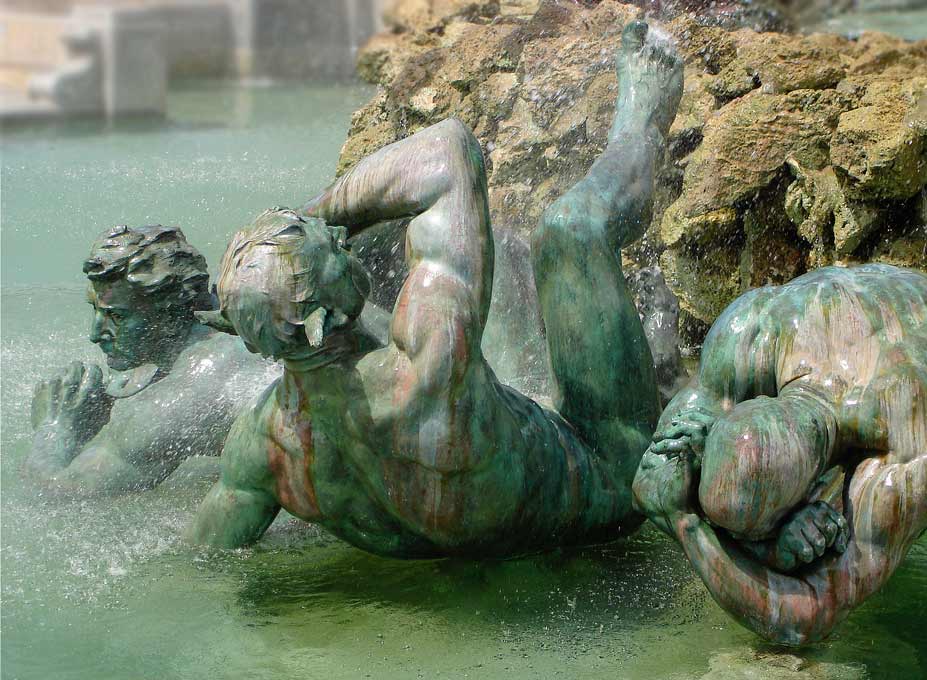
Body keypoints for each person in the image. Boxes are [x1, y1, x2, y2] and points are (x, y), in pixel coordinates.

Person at [186, 21, 682, 556]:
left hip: (479, 518)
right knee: (570, 228)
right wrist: (306, 216)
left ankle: (649, 349)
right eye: (328, 245)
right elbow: (448, 151)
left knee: (506, 263)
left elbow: (205, 554)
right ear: (320, 322)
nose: (338, 235)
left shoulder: (261, 448)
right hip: (606, 487)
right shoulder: (427, 364)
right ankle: (643, 123)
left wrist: (266, 281)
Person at [633, 263, 927, 645]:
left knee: (853, 541)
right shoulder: (752, 330)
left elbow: (807, 619)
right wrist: (768, 544)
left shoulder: (909, 454)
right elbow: (649, 481)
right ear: (750, 403)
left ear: (813, 481)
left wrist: (689, 525)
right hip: (869, 299)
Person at [24, 225, 277, 495]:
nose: (95, 335)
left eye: (117, 317)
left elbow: (60, 494)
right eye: (95, 310)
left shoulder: (178, 401)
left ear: (168, 317)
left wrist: (54, 428)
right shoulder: (236, 314)